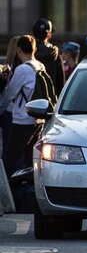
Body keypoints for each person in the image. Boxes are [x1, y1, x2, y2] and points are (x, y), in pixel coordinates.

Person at [2, 35, 45, 173]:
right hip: (37, 119)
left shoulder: (22, 69)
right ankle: (27, 191)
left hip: (22, 120)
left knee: (10, 159)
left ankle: (9, 192)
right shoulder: (40, 65)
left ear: (19, 50)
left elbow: (10, 94)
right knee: (29, 160)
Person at [32, 18, 65, 94]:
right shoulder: (55, 55)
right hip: (50, 100)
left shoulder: (27, 53)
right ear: (49, 35)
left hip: (30, 101)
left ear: (33, 34)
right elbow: (60, 84)